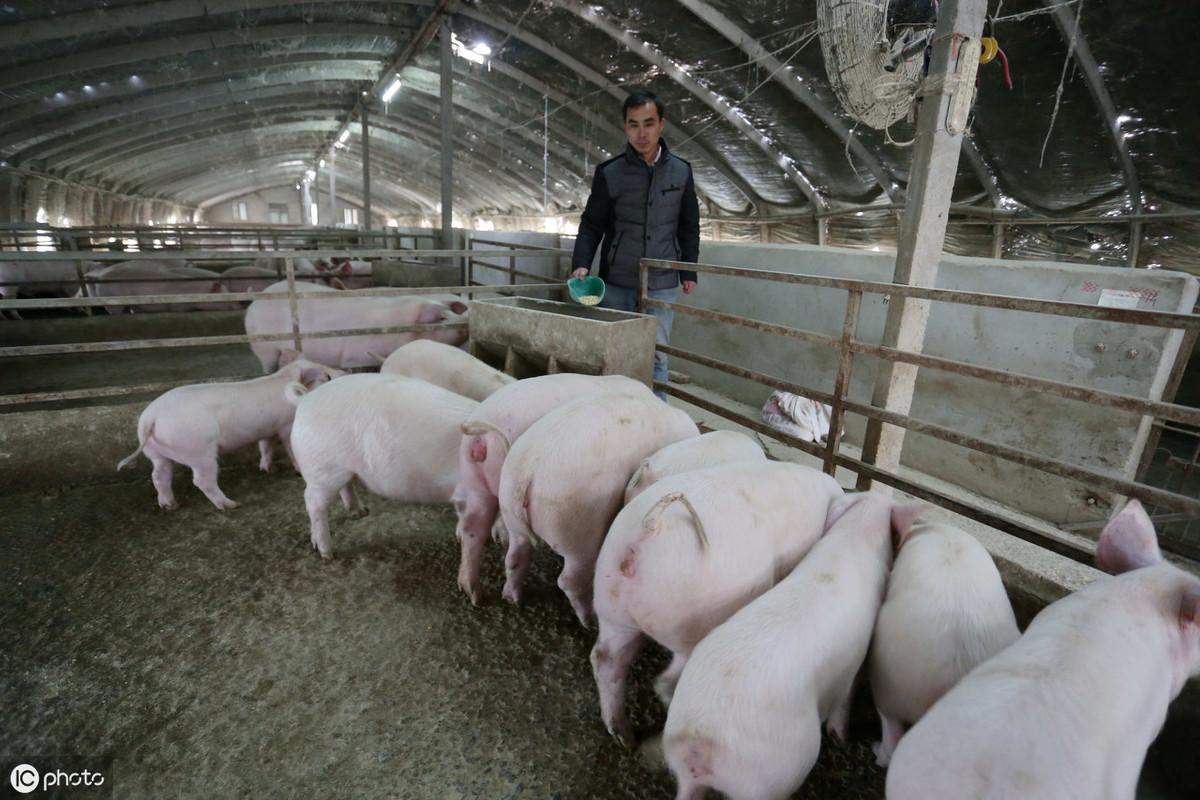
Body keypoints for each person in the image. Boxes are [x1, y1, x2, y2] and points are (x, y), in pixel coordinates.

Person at [571, 89, 699, 399]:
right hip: (619, 280)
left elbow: (689, 224)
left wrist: (689, 271)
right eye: (633, 125)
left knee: (656, 355)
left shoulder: (681, 171)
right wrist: (581, 262)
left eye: (648, 123)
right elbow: (591, 224)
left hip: (663, 280)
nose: (641, 134)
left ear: (661, 125)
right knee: (618, 352)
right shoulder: (610, 172)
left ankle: (656, 421)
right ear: (624, 127)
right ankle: (617, 417)